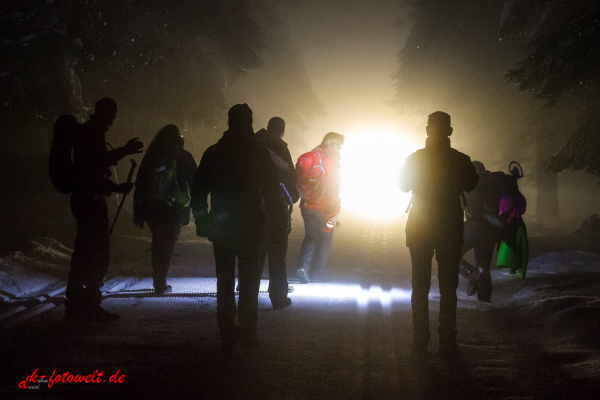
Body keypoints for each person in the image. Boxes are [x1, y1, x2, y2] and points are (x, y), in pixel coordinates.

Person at [191, 104, 287, 354]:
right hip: (250, 225)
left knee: (224, 280)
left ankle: (227, 333)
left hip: (224, 226)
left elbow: (199, 189)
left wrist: (202, 219)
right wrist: (277, 224)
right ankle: (248, 333)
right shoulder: (258, 154)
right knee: (249, 282)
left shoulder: (215, 152)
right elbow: (271, 194)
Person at [399, 111, 478, 358]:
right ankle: (447, 341)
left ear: (427, 130)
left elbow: (402, 186)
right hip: (449, 226)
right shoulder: (461, 159)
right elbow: (472, 184)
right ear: (450, 132)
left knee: (419, 285)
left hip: (420, 225)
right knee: (448, 286)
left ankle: (419, 341)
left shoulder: (414, 159)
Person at [65, 98, 143, 321]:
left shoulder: (89, 133)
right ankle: (88, 306)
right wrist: (116, 185)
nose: (114, 118)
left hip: (85, 199)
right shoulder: (92, 134)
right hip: (91, 200)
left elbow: (94, 166)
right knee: (96, 253)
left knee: (84, 251)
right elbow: (93, 168)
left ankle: (76, 304)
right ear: (103, 112)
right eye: (112, 113)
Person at [133, 125, 197, 294]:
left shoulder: (152, 156)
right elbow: (195, 184)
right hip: (174, 208)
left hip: (153, 207)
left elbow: (140, 184)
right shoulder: (183, 156)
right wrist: (198, 209)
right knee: (167, 245)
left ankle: (158, 281)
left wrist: (138, 211)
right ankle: (161, 283)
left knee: (158, 242)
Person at [255, 117, 299, 309]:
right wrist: (293, 197)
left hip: (251, 208)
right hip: (276, 208)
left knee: (253, 255)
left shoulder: (251, 146)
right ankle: (279, 297)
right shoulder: (280, 149)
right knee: (277, 256)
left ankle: (248, 294)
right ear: (281, 130)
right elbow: (290, 177)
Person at [295, 132, 345, 284]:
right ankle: (316, 274)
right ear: (336, 145)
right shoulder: (332, 161)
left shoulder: (313, 156)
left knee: (310, 236)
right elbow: (333, 186)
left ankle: (303, 267)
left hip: (306, 206)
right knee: (325, 238)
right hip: (324, 207)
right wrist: (335, 208)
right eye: (340, 145)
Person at [459, 161, 506, 302]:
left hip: (473, 228)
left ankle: (471, 274)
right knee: (484, 267)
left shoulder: (471, 184)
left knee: (449, 254)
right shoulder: (493, 184)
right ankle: (485, 302)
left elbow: (461, 206)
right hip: (491, 231)